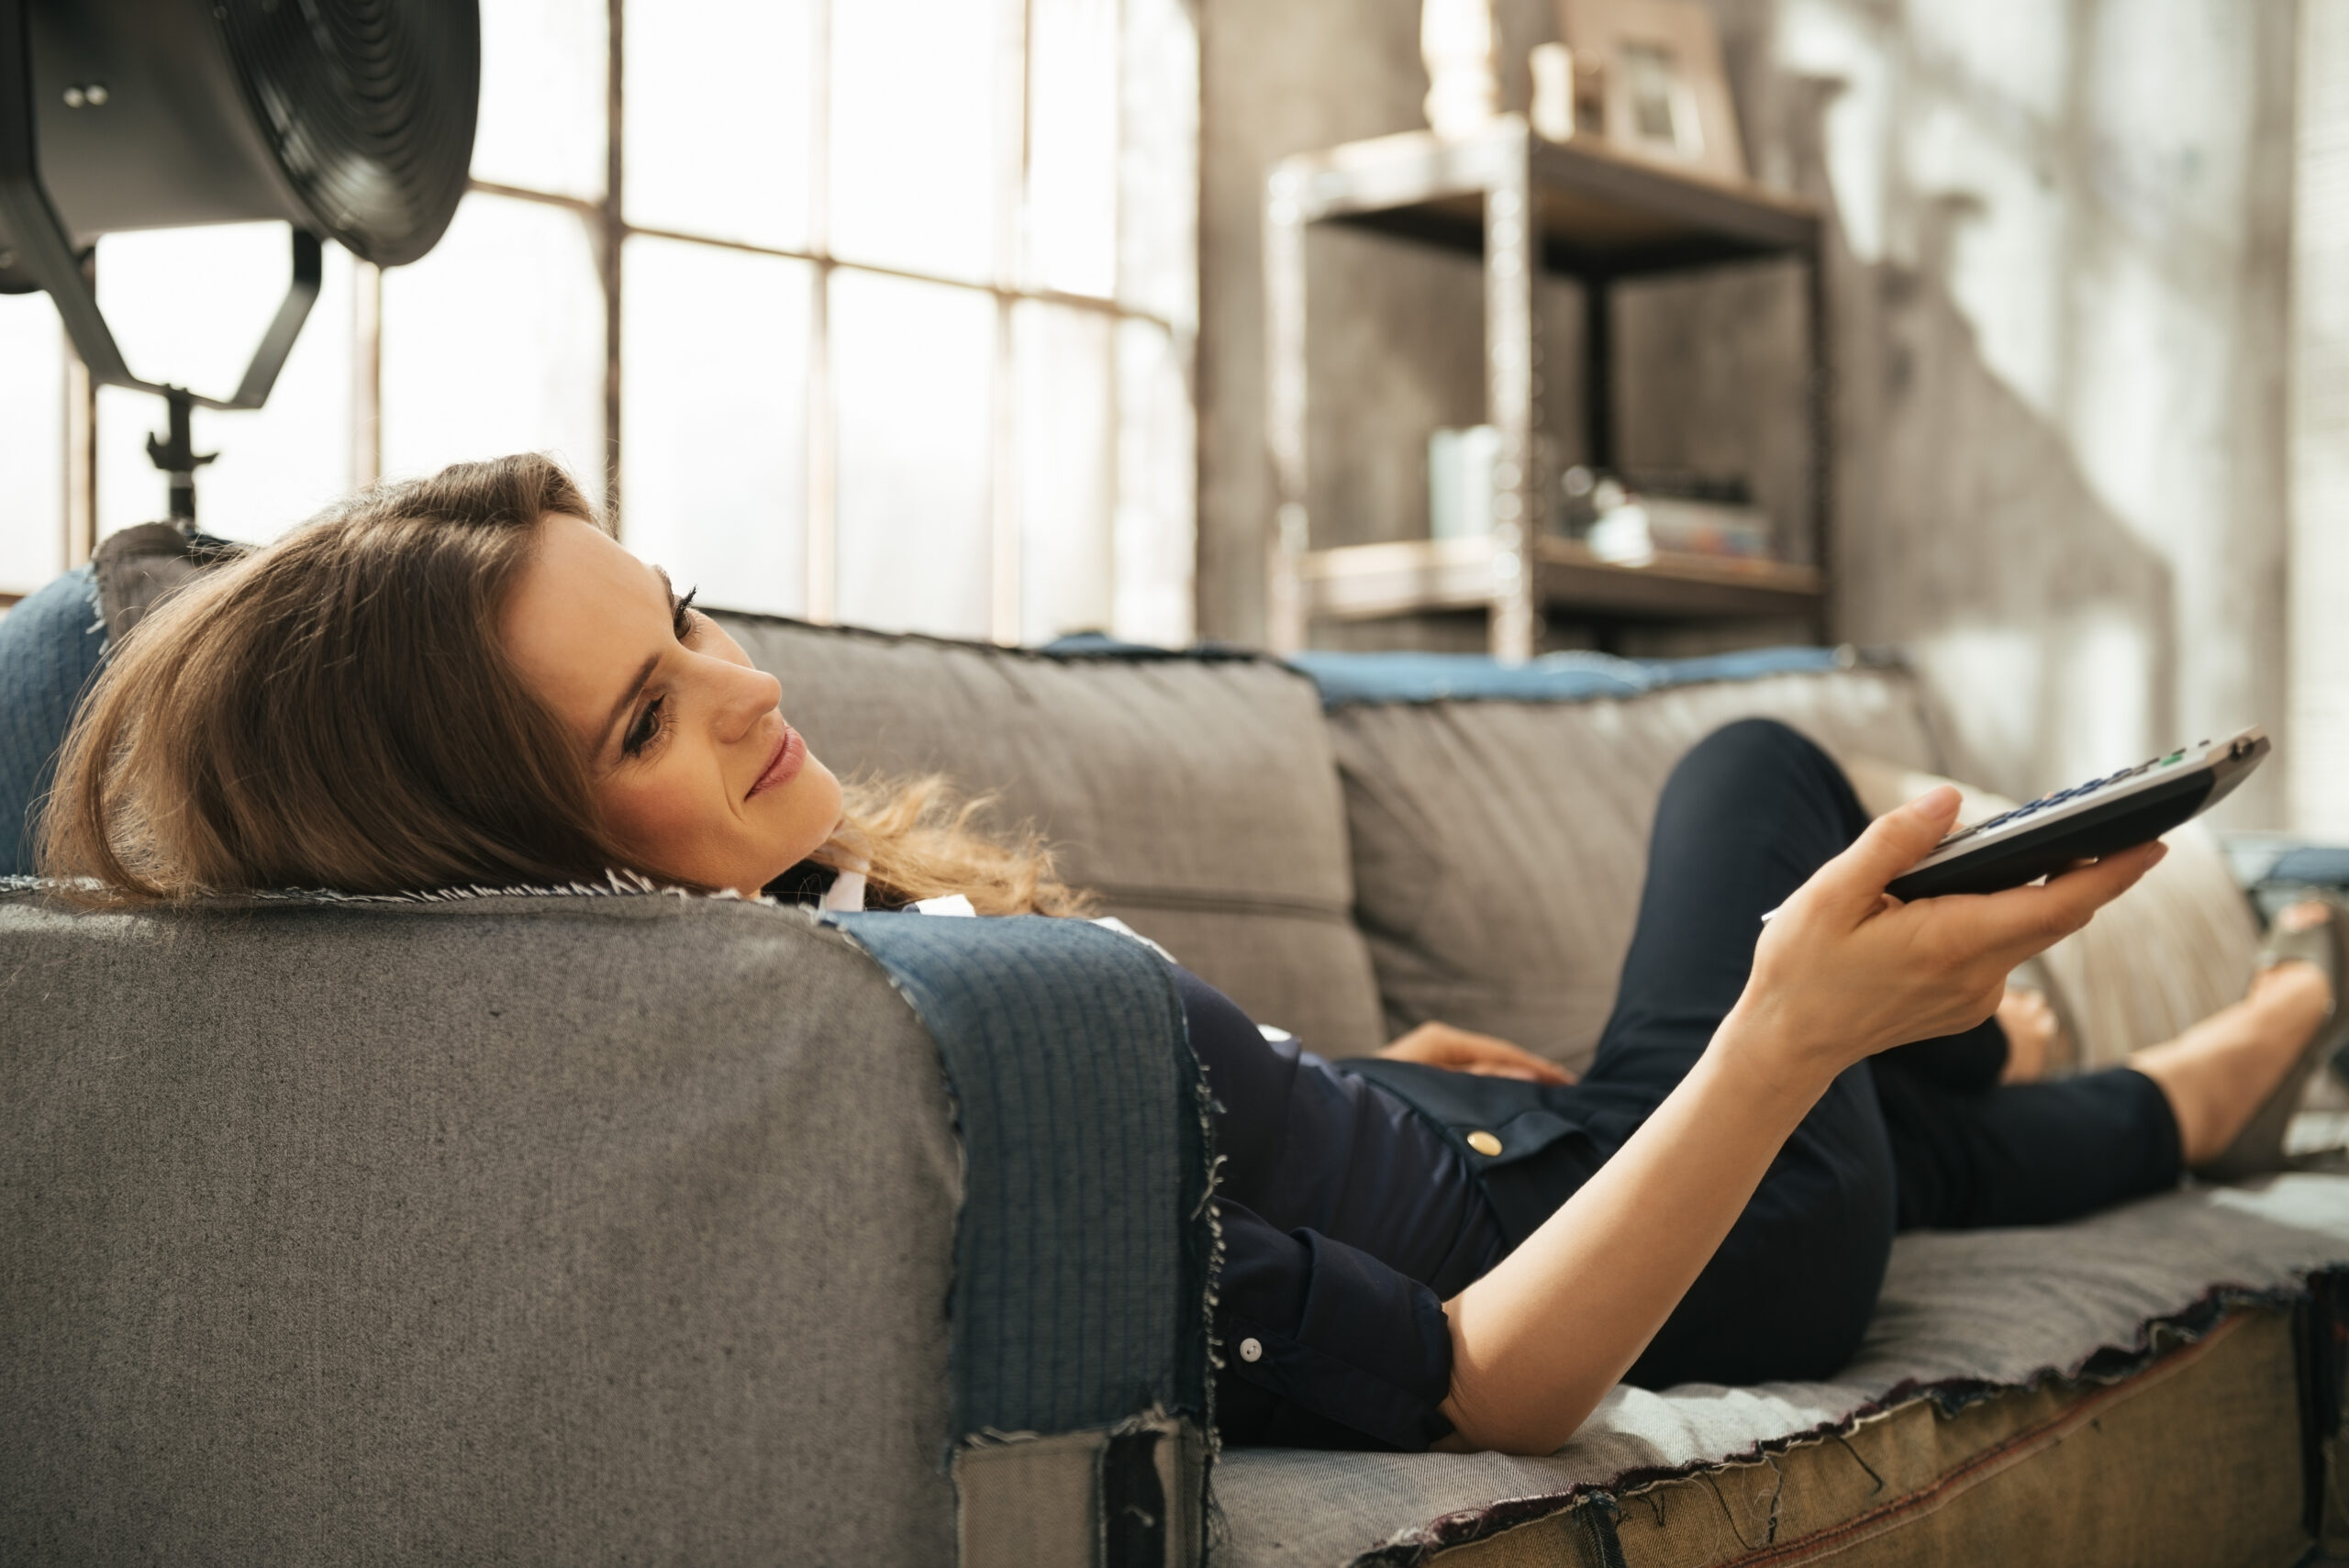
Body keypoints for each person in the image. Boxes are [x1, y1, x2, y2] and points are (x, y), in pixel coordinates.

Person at [32, 455, 2344, 1457]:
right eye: (644, 715)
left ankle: (2184, 1052)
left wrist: (1384, 1077)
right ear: (503, 868)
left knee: (1923, 1130)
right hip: (1636, 1248)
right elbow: (1493, 1385)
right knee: (1755, 772)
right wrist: (1771, 1036)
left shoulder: (841, 936)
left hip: (1532, 1145)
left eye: (686, 613)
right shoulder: (918, 1110)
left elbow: (1260, 1136)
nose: (743, 689)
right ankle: (2273, 1008)